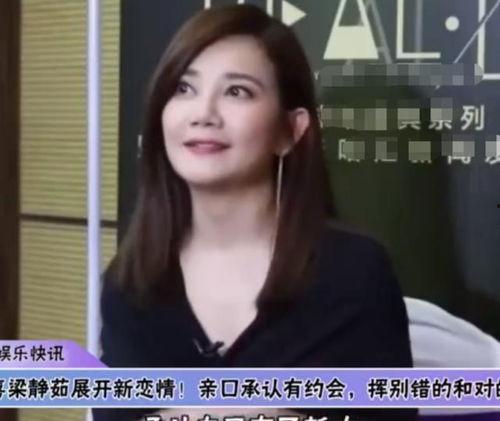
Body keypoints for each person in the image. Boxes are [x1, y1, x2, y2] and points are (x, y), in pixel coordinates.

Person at [93, 4, 416, 420]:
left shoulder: (354, 274)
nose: (203, 114)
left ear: (290, 130)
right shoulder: (131, 284)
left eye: (237, 92)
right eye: (184, 88)